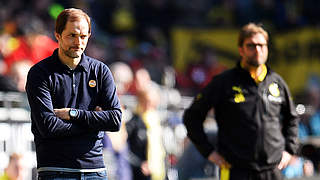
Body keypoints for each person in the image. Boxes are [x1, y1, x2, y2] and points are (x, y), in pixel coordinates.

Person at [183, 23, 299, 180]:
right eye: (251, 46)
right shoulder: (223, 82)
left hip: (272, 170)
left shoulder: (276, 82)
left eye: (262, 45)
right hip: (236, 171)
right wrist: (209, 153)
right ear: (241, 50)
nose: (258, 50)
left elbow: (292, 118)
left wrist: (289, 150)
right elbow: (191, 117)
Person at [25, 8, 122, 180]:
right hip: (55, 170)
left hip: (95, 172)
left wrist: (72, 114)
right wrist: (94, 123)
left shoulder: (100, 71)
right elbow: (49, 127)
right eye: (72, 35)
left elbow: (114, 120)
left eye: (83, 36)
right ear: (58, 35)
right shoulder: (40, 73)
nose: (78, 42)